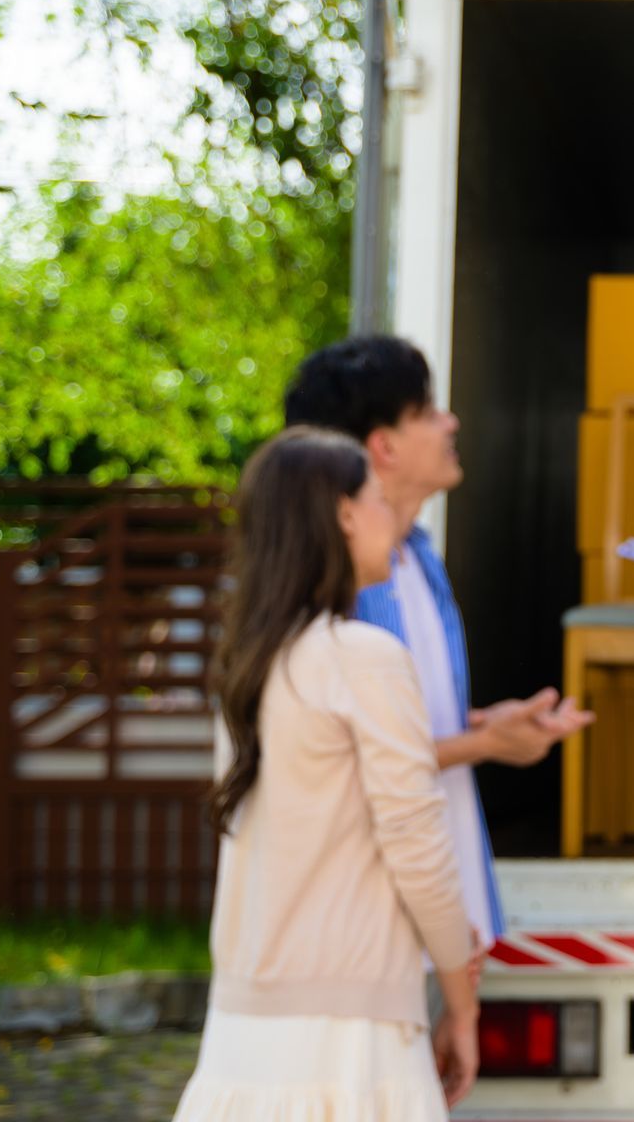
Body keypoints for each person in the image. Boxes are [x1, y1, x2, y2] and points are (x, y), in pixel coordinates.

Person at [176, 426, 477, 1120]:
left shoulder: (249, 665)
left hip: (243, 1029)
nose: (394, 515)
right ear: (343, 514)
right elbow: (418, 845)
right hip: (350, 1033)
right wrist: (460, 1002)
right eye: (377, 498)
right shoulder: (363, 656)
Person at [284, 336, 592, 959]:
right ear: (383, 446)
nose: (451, 421)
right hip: (373, 925)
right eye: (427, 410)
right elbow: (346, 758)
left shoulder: (419, 557)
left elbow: (406, 724)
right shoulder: (329, 588)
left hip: (445, 905)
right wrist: (484, 745)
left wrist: (482, 723)